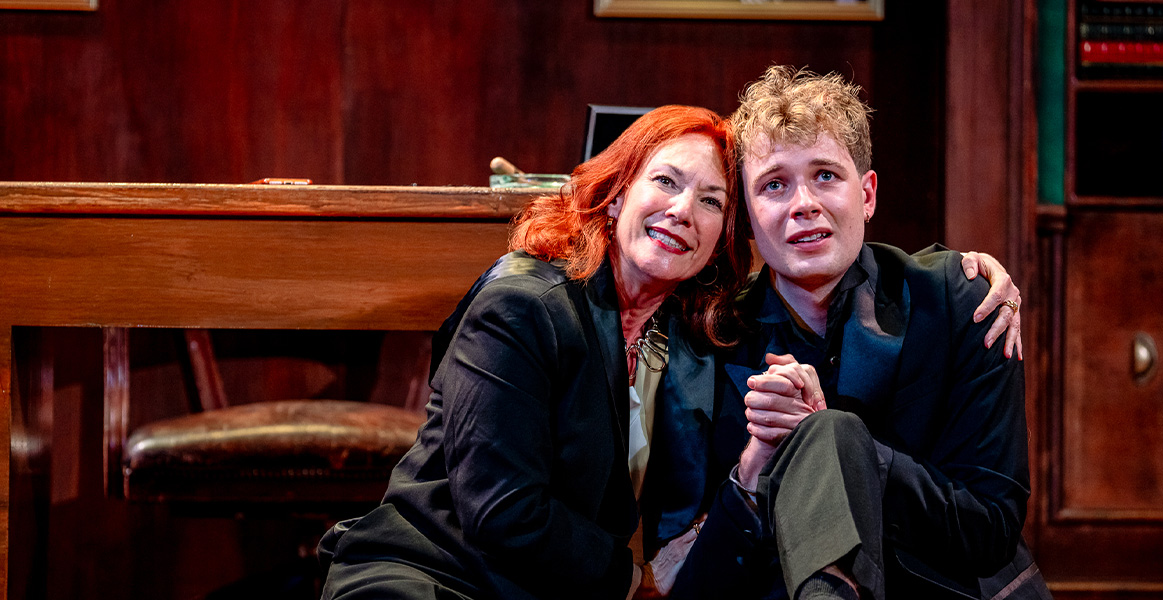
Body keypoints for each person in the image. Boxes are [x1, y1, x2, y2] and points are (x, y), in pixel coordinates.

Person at [318, 102, 1023, 600]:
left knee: (835, 432)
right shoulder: (556, 309)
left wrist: (975, 272)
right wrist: (642, 577)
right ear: (618, 195)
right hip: (443, 575)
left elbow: (990, 523)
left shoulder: (690, 335)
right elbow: (508, 513)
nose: (685, 211)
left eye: (711, 200)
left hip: (938, 581)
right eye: (665, 182)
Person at [669, 66, 1052, 600]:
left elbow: (991, 530)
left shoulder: (961, 299)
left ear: (867, 194)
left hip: (947, 591)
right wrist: (753, 474)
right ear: (748, 218)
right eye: (774, 184)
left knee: (832, 434)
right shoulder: (711, 337)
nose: (804, 203)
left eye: (826, 175)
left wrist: (839, 449)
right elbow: (700, 586)